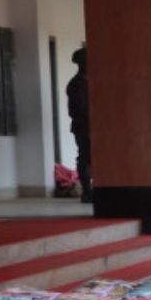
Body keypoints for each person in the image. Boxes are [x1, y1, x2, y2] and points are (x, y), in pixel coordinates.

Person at [67, 47, 91, 202]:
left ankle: (89, 190)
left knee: (89, 158)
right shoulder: (77, 84)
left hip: (88, 126)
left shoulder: (87, 81)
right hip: (83, 127)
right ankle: (87, 191)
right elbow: (79, 109)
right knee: (85, 157)